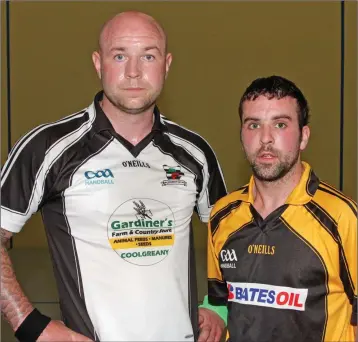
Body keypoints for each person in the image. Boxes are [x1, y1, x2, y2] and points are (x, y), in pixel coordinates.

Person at [0, 11, 227, 342]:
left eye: (148, 56)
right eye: (120, 56)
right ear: (98, 63)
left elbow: (230, 235)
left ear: (166, 65)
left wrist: (219, 307)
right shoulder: (49, 148)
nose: (133, 72)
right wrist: (30, 324)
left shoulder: (194, 152)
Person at [206, 75, 357, 342]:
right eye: (253, 125)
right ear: (241, 136)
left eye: (280, 124)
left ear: (303, 137)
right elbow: (219, 301)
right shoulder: (222, 215)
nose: (265, 138)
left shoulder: (342, 217)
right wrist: (210, 315)